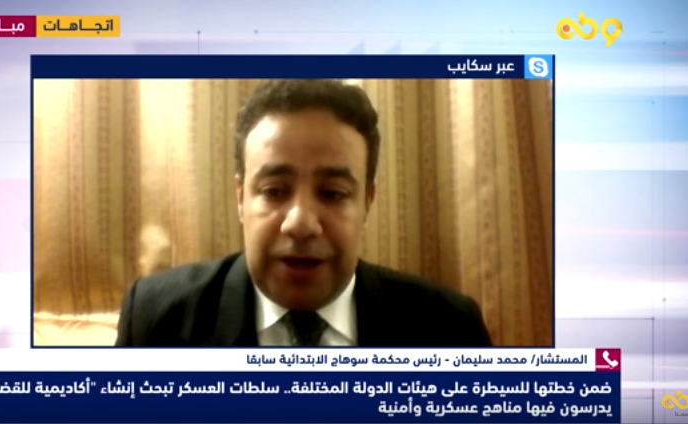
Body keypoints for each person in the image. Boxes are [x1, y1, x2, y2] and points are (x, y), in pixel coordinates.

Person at [115, 79, 492, 347]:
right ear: (241, 198)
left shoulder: (449, 330)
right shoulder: (156, 320)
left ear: (367, 202)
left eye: (333, 193)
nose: (300, 223)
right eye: (274, 191)